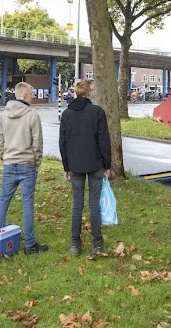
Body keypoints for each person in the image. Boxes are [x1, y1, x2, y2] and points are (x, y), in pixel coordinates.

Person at [59, 80, 111, 257]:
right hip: (95, 164)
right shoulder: (97, 112)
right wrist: (107, 164)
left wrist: (66, 166)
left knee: (77, 205)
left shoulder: (66, 114)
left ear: (75, 93)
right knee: (94, 204)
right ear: (89, 94)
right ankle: (97, 244)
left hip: (75, 165)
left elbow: (63, 143)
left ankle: (75, 244)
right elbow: (103, 140)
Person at [0, 82, 48, 254]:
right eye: (31, 94)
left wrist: (4, 157)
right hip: (27, 164)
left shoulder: (3, 115)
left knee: (4, 201)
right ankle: (30, 244)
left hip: (9, 163)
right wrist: (36, 162)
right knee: (27, 204)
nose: (32, 97)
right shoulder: (32, 115)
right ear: (25, 95)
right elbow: (37, 142)